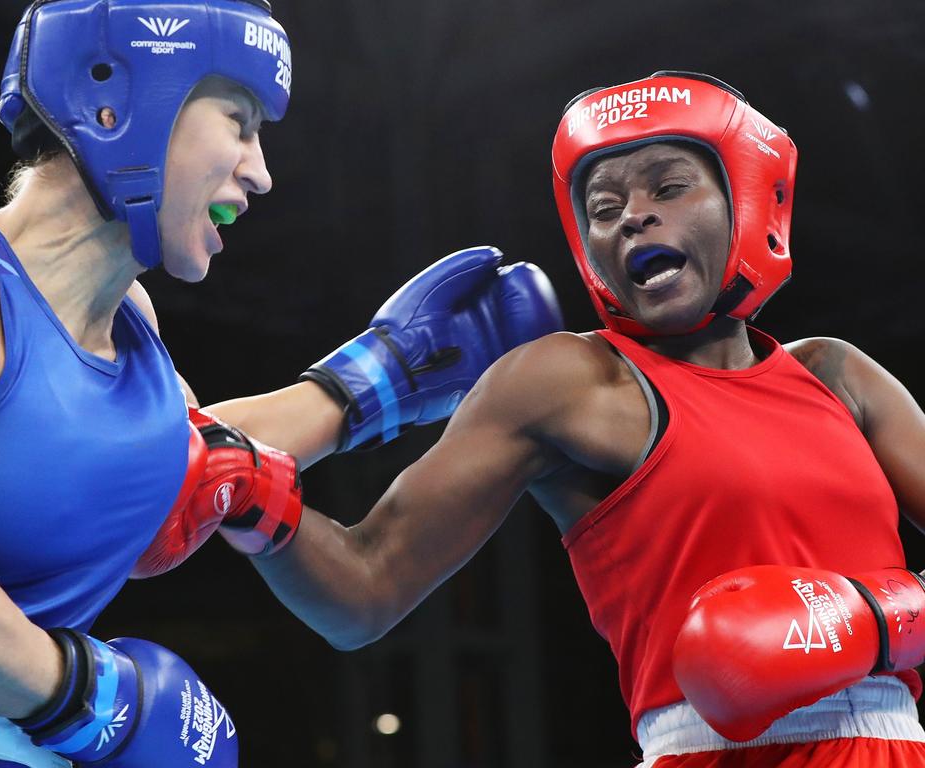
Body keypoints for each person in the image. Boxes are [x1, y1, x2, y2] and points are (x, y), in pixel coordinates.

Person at [192, 71, 925, 767]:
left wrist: (880, 618)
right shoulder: (569, 383)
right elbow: (366, 591)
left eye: (669, 187)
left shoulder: (835, 376)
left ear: (749, 200)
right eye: (604, 207)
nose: (634, 214)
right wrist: (259, 501)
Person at [0, 0, 562, 766]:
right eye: (239, 122)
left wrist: (378, 378)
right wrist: (93, 700)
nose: (260, 171)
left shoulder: (130, 322)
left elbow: (192, 463)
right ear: (117, 101)